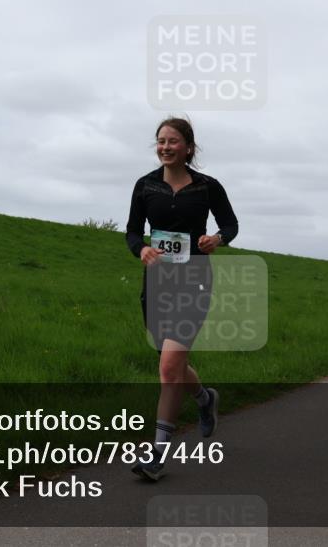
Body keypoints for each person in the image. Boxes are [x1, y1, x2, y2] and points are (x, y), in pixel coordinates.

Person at [124, 117, 239, 481]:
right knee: (172, 365)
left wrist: (216, 239)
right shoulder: (145, 186)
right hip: (158, 284)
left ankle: (157, 455)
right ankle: (204, 399)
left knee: (169, 368)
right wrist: (140, 249)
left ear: (189, 147)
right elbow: (131, 231)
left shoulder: (207, 187)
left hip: (194, 282)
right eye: (160, 141)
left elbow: (231, 225)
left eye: (173, 141)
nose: (165, 147)